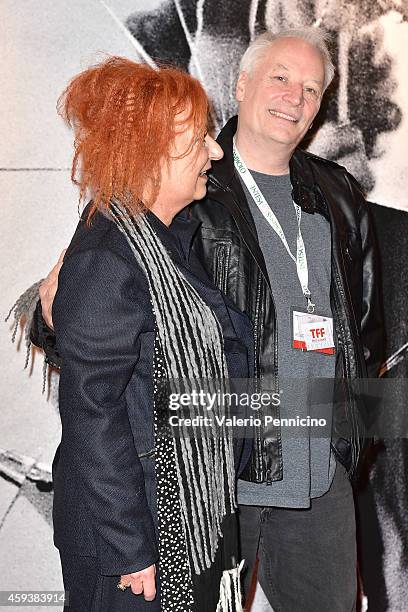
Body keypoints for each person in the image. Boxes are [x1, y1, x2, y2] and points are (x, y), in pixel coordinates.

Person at [37, 27, 384, 612]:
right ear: (241, 83)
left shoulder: (339, 194)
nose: (295, 97)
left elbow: (364, 335)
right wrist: (50, 321)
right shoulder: (179, 195)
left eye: (312, 88)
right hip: (213, 482)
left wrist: (353, 441)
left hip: (308, 477)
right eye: (280, 77)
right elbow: (83, 340)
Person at [31, 57, 254, 612]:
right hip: (140, 532)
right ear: (148, 147)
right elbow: (92, 411)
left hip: (186, 509)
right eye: (198, 136)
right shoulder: (111, 254)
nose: (216, 150)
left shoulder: (170, 239)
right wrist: (130, 549)